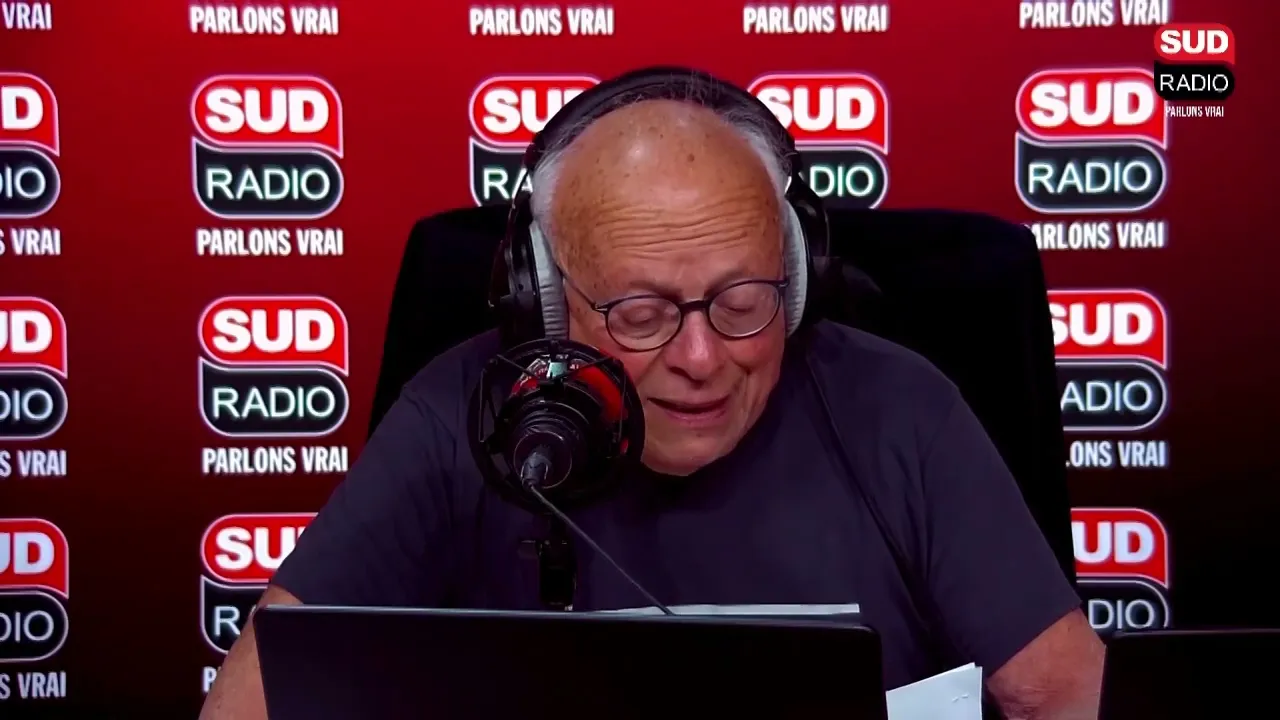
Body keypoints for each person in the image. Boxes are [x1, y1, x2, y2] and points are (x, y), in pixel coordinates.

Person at [200, 69, 1103, 719]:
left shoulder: (902, 410)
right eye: (640, 315)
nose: (702, 357)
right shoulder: (457, 416)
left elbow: (1064, 695)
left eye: (743, 302)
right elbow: (249, 705)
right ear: (545, 302)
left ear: (796, 277)